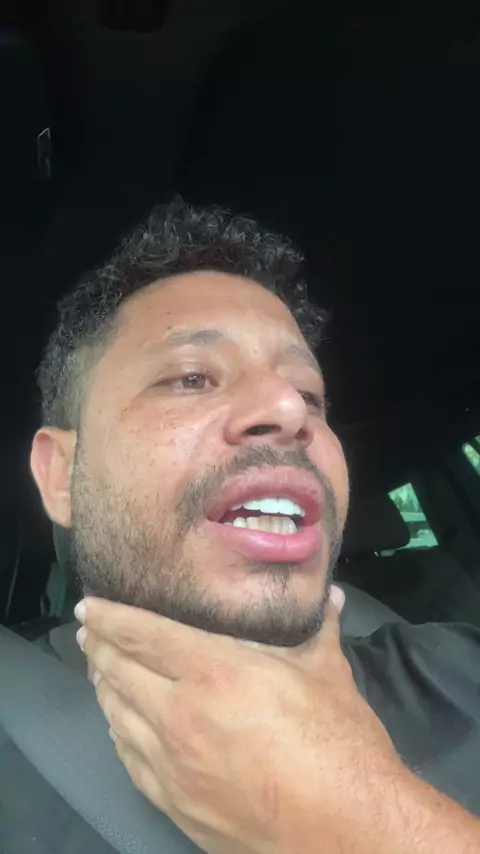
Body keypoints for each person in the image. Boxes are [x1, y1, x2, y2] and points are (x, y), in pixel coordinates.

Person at [22, 197, 480, 853]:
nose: (290, 410)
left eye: (312, 395)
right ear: (61, 475)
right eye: (190, 378)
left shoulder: (460, 671)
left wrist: (363, 821)